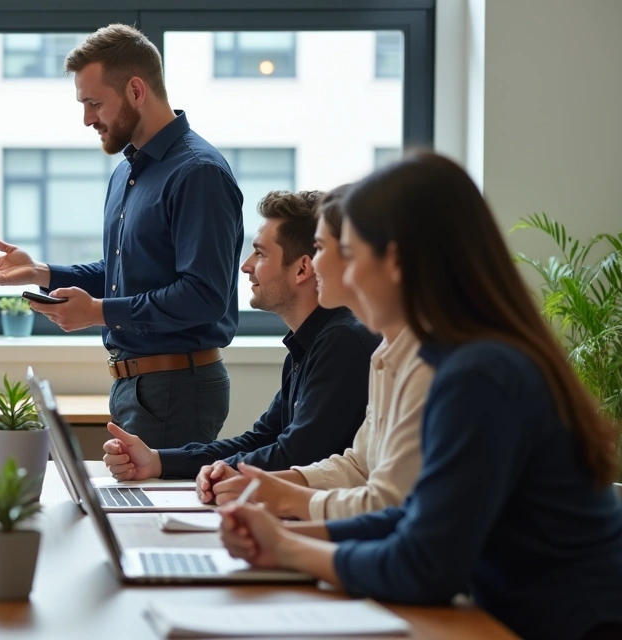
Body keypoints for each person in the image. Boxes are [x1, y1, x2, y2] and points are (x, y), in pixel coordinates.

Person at [219, 152, 622, 640]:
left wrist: (285, 549)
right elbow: (411, 518)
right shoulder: (463, 355)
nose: (339, 267)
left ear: (395, 261)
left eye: (349, 249)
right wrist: (285, 535)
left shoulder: (477, 371)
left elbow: (424, 564)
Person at [0, 23, 243, 449]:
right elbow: (124, 271)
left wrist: (99, 312)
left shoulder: (198, 173)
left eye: (94, 103)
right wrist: (41, 273)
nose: (88, 118)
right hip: (137, 384)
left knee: (151, 514)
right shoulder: (127, 172)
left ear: (135, 90)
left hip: (177, 387)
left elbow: (203, 295)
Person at [102, 190, 379, 480]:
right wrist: (158, 461)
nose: (246, 266)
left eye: (260, 253)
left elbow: (296, 454)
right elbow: (261, 439)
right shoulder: (310, 342)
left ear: (302, 269)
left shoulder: (342, 342)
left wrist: (220, 472)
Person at [199, 185, 434, 520]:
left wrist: (284, 534)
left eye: (325, 249)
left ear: (390, 260)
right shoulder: (387, 352)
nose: (316, 265)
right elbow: (357, 466)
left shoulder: (414, 358)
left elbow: (389, 505)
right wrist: (264, 487)